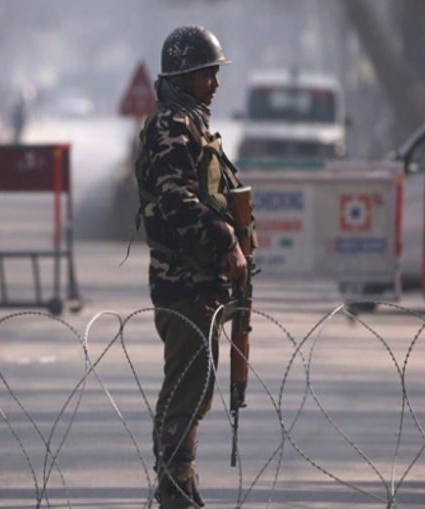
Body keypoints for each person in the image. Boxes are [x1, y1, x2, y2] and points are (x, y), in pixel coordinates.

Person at [133, 25, 251, 508]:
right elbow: (176, 199)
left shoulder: (190, 122)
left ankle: (179, 484)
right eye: (207, 74)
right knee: (187, 389)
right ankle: (175, 489)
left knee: (195, 387)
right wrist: (226, 241)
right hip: (182, 281)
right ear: (183, 75)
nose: (215, 84)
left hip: (201, 281)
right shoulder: (171, 125)